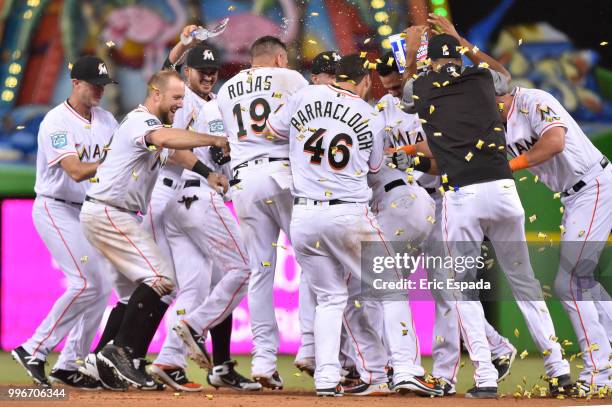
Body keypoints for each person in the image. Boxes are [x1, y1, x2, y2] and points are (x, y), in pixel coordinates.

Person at [397, 14, 571, 398]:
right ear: (459, 59)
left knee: (462, 290)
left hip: (462, 196)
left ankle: (486, 378)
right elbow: (504, 75)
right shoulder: (480, 78)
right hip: (505, 192)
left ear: (431, 64)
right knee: (525, 282)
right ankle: (559, 369)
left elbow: (405, 97)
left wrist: (412, 53)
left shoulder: (423, 85)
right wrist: (460, 37)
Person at [378, 44, 516, 397]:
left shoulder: (436, 97)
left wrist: (407, 155)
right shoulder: (382, 111)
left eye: (397, 84)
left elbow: (440, 158)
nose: (394, 91)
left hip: (441, 202)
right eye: (388, 85)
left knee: (446, 288)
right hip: (403, 208)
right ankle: (497, 346)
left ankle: (444, 374)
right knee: (393, 282)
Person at [173, 35, 309, 390]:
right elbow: (308, 129)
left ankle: (264, 361)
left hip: (246, 183)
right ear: (280, 59)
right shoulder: (291, 79)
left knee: (259, 272)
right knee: (312, 262)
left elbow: (223, 148)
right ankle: (311, 349)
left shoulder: (229, 89)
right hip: (284, 176)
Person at [79, 69, 229, 389]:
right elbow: (164, 140)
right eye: (176, 97)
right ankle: (120, 352)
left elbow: (175, 152)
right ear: (156, 94)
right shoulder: (141, 121)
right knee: (161, 278)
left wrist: (206, 172)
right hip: (110, 212)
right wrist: (212, 138)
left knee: (138, 292)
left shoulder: (153, 124)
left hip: (113, 213)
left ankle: (112, 361)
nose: (180, 103)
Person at [266, 54, 396, 397]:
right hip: (348, 214)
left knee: (329, 298)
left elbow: (271, 130)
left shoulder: (305, 95)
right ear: (364, 80)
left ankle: (326, 377)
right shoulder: (371, 115)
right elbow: (375, 167)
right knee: (391, 283)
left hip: (305, 216)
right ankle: (396, 370)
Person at [139, 27, 258, 392]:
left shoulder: (212, 104)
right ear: (185, 74)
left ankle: (169, 359)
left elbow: (220, 152)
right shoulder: (181, 100)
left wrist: (223, 156)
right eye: (200, 70)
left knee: (192, 288)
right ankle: (193, 327)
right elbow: (172, 146)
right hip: (196, 195)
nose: (208, 75)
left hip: (180, 204)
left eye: (212, 70)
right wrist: (181, 45)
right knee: (243, 268)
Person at [11, 55, 117, 390]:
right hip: (56, 207)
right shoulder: (56, 121)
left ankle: (70, 363)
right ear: (75, 84)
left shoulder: (106, 120)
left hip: (87, 209)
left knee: (101, 286)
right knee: (86, 282)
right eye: (93, 84)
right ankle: (33, 349)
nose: (100, 90)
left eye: (103, 85)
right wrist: (114, 161)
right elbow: (73, 169)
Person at [498, 86, 612, 394]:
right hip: (574, 196)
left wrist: (508, 166)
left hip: (593, 185)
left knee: (570, 282)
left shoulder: (534, 101)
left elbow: (555, 142)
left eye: (492, 97)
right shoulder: (496, 122)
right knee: (582, 280)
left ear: (504, 93)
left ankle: (598, 373)